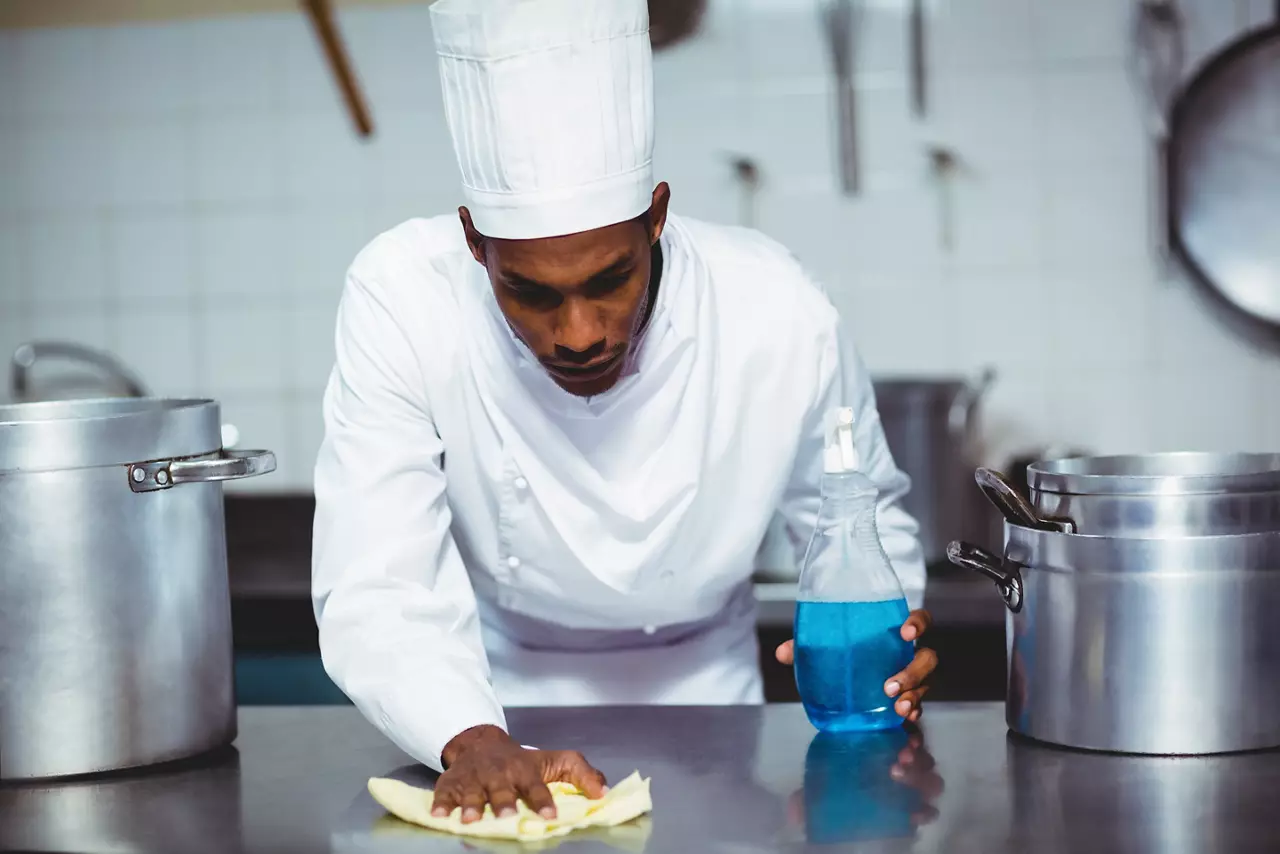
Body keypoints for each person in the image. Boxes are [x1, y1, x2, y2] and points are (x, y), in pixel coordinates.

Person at [311, 0, 937, 824]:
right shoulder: (401, 298)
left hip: (720, 712)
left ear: (656, 217)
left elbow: (859, 511)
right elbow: (378, 579)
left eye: (610, 280)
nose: (579, 334)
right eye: (529, 293)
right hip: (487, 706)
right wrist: (466, 736)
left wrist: (886, 648)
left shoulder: (776, 307)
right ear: (473, 242)